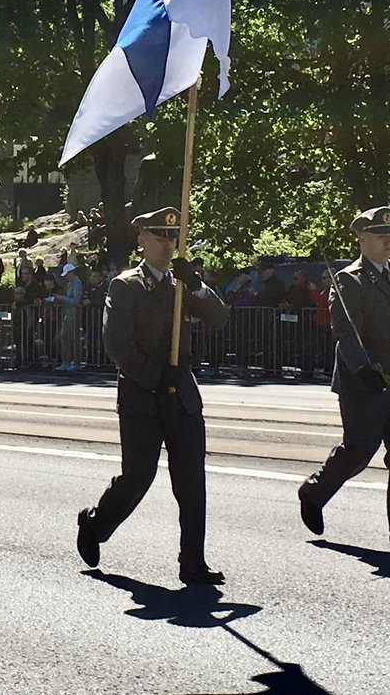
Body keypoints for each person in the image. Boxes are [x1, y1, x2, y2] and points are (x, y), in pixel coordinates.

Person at [75, 208, 230, 587]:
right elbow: (118, 346)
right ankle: (96, 524)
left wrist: (196, 286)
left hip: (183, 393)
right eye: (158, 237)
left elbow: (220, 318)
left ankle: (193, 561)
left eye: (171, 238)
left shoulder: (182, 284)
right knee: (138, 476)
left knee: (192, 480)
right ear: (141, 241)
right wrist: (157, 379)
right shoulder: (126, 286)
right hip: (143, 395)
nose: (166, 244)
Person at [297, 206, 390, 549]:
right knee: (359, 450)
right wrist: (363, 369)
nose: (388, 241)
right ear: (362, 240)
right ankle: (314, 492)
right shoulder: (349, 279)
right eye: (380, 236)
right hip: (365, 377)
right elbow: (346, 334)